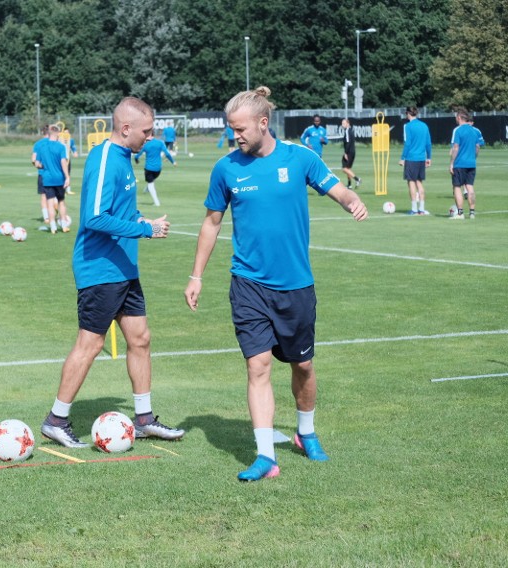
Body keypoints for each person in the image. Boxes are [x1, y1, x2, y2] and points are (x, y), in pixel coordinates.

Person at [183, 87, 367, 482]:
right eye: (232, 130)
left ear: (263, 124)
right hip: (248, 284)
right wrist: (196, 275)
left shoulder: (299, 158)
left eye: (241, 129)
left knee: (302, 364)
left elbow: (337, 189)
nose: (236, 136)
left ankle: (305, 431)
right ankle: (266, 456)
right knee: (258, 365)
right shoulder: (226, 169)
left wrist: (351, 201)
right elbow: (212, 223)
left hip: (296, 285)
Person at [41, 96, 185, 448]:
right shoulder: (105, 158)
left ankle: (144, 419)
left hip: (124, 267)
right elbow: (93, 217)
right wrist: (145, 231)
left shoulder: (124, 158)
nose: (150, 138)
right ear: (125, 129)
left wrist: (144, 221)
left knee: (140, 339)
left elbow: (122, 211)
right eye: (146, 132)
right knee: (90, 343)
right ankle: (56, 420)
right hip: (100, 267)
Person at [34, 124, 71, 234]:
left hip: (47, 179)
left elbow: (37, 163)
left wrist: (45, 166)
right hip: (59, 178)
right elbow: (63, 162)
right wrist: (67, 177)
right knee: (61, 202)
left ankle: (53, 227)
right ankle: (64, 226)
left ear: (49, 134)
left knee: (50, 203)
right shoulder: (61, 147)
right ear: (58, 134)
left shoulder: (42, 147)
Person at [399, 106, 432, 215]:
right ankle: (421, 209)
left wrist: (402, 158)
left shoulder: (408, 126)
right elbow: (428, 143)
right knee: (419, 183)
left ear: (408, 113)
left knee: (411, 183)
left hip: (411, 158)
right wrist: (429, 158)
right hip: (421, 158)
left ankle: (414, 209)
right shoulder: (424, 125)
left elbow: (407, 143)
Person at [449, 107, 480, 220]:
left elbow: (456, 147)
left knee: (457, 187)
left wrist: (452, 163)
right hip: (471, 163)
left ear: (459, 118)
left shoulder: (458, 130)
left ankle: (460, 213)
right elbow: (477, 147)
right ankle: (472, 213)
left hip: (460, 164)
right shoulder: (474, 130)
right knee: (470, 187)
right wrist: (473, 157)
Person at [133, 132, 176, 206]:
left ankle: (157, 202)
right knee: (151, 180)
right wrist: (173, 162)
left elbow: (137, 156)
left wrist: (137, 161)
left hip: (149, 168)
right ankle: (147, 189)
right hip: (158, 169)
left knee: (150, 183)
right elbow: (167, 154)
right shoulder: (160, 143)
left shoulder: (146, 145)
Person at [31, 125, 50, 224]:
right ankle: (55, 216)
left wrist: (41, 165)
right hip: (56, 174)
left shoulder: (38, 144)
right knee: (56, 197)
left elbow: (33, 160)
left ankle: (46, 217)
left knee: (44, 196)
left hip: (43, 174)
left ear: (42, 132)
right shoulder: (56, 143)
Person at [340, 118, 361, 189]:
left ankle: (357, 179)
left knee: (344, 168)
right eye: (342, 123)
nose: (342, 125)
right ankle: (349, 185)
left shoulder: (347, 131)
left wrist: (346, 153)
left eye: (344, 123)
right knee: (348, 168)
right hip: (352, 151)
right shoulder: (349, 130)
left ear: (348, 123)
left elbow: (348, 143)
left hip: (349, 152)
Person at [60, 127, 79, 195]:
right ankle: (61, 189)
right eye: (65, 132)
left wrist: (75, 152)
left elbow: (73, 148)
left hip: (67, 159)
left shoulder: (71, 140)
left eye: (67, 132)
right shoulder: (59, 140)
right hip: (60, 159)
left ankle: (68, 190)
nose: (66, 134)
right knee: (61, 174)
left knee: (67, 174)